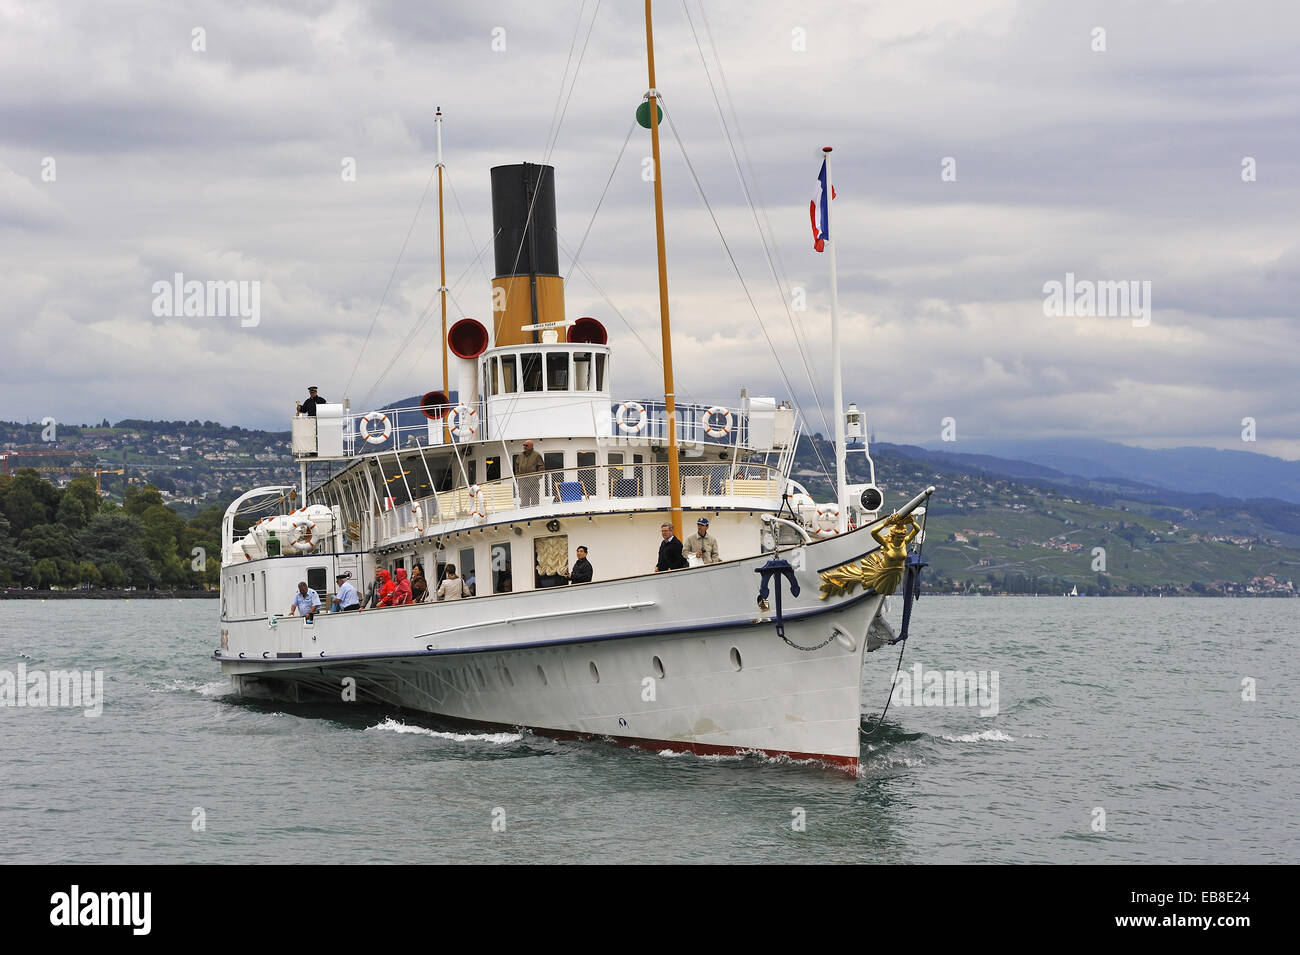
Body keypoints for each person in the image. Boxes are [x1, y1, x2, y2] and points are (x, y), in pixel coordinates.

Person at [513, 440, 545, 506]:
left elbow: (541, 467)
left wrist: (537, 477)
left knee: (534, 500)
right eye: (524, 445)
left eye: (526, 445)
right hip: (523, 482)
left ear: (531, 446)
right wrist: (518, 476)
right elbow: (516, 466)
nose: (524, 447)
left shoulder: (537, 455)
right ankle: (525, 514)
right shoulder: (520, 456)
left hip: (533, 482)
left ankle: (535, 514)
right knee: (524, 501)